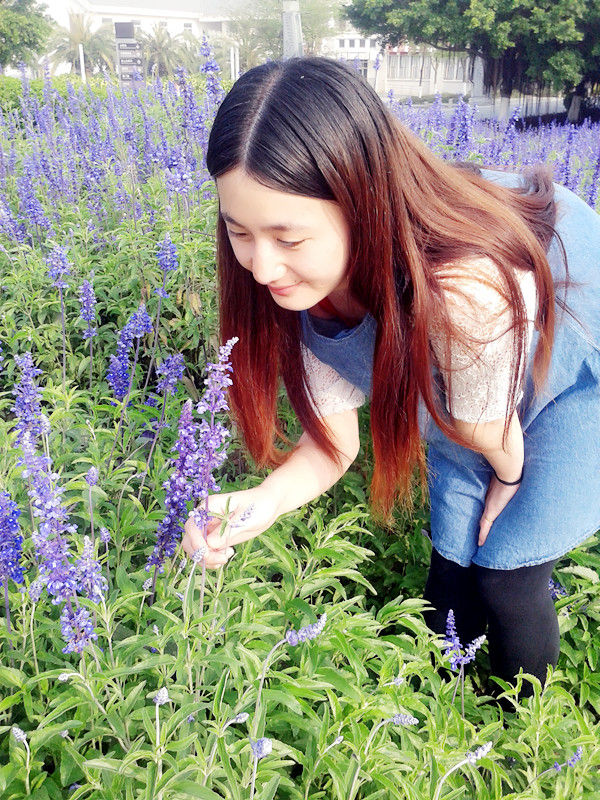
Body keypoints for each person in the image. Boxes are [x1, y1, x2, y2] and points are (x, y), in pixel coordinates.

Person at [182, 57, 600, 702]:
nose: (262, 267)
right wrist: (256, 504)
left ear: (362, 206)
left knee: (507, 571)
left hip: (574, 347)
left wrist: (508, 482)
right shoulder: (304, 284)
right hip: (469, 374)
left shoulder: (464, 286)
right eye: (240, 232)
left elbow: (487, 430)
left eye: (288, 238)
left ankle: (527, 730)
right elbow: (332, 443)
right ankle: (441, 711)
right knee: (453, 558)